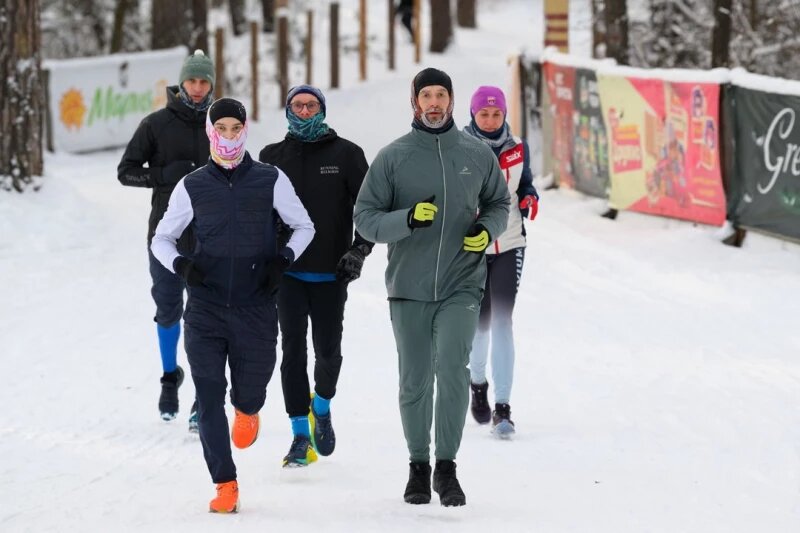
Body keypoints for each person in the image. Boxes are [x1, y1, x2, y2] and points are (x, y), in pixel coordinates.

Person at [353, 68, 510, 507]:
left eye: (442, 94)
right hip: (408, 285)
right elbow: (364, 217)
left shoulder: (476, 153)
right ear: (415, 103)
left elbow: (499, 201)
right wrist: (405, 220)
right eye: (427, 95)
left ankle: (447, 468)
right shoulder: (393, 156)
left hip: (462, 282)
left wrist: (487, 228)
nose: (435, 102)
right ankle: (417, 467)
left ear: (452, 101)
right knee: (415, 380)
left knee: (453, 371)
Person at [151, 98, 315, 513]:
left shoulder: (269, 178)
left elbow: (304, 225)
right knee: (208, 398)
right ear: (210, 131)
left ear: (244, 130)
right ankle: (225, 483)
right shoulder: (192, 185)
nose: (227, 136)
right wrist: (182, 267)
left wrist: (284, 260)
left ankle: (249, 408)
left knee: (250, 394)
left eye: (234, 128)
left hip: (256, 307)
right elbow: (161, 239)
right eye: (219, 128)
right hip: (204, 309)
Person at [258, 85, 373, 468]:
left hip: (331, 272)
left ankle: (321, 406)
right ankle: (299, 436)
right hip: (287, 272)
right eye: (298, 105)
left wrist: (359, 249)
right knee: (291, 351)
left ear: (322, 109)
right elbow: (259, 216)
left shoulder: (347, 155)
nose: (304, 110)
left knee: (327, 352)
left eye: (311, 105)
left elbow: (372, 208)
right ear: (288, 110)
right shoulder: (271, 158)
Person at [117, 49, 215, 429]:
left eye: (204, 81)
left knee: (204, 316)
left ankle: (201, 397)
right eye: (191, 80)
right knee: (169, 308)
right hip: (166, 234)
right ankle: (169, 376)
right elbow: (126, 172)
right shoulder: (156, 124)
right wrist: (164, 175)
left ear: (211, 84)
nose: (196, 87)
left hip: (211, 235)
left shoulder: (220, 122)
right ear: (182, 82)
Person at [463, 86, 539, 438]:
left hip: (509, 242)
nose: (491, 120)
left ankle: (503, 408)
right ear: (473, 115)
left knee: (503, 322)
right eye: (484, 114)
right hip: (471, 245)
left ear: (505, 114)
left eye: (496, 114)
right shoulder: (458, 146)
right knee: (479, 323)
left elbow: (525, 184)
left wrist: (529, 198)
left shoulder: (517, 147)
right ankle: (477, 383)